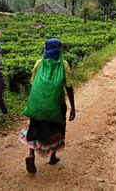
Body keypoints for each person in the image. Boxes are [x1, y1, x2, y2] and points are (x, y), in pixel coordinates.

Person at [19, 38, 76, 173]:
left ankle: (31, 154)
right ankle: (52, 157)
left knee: (34, 128)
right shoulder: (64, 64)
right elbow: (69, 87)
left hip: (38, 104)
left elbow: (33, 84)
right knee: (57, 130)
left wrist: (32, 102)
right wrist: (73, 107)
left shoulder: (39, 63)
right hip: (57, 105)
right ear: (59, 50)